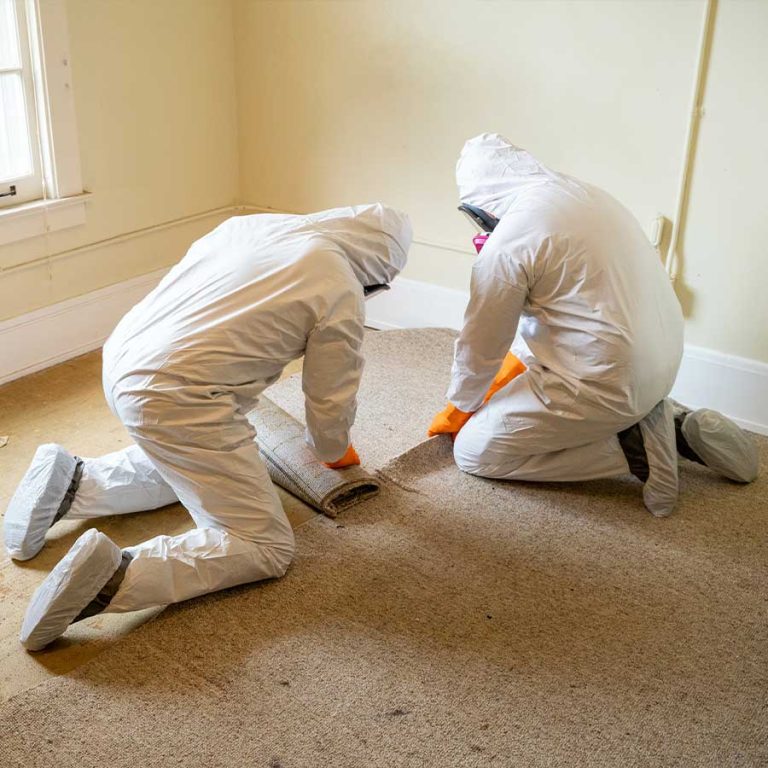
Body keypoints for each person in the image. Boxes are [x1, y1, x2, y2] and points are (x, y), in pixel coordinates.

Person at [5, 203, 412, 651]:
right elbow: (329, 395)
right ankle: (115, 577)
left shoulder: (249, 226)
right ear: (375, 271)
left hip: (124, 360)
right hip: (179, 398)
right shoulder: (339, 286)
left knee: (192, 466)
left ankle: (74, 483)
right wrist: (332, 450)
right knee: (264, 545)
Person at [429, 133, 758, 514]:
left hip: (610, 381)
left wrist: (460, 406)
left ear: (480, 205)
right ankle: (670, 418)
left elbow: (480, 346)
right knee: (536, 369)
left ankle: (634, 448)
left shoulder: (511, 241)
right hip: (664, 361)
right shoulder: (586, 196)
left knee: (475, 451)